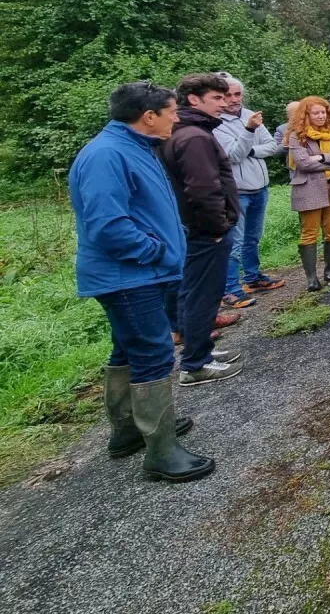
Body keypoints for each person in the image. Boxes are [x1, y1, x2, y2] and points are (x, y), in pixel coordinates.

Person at [69, 81, 216, 482]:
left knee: (127, 349)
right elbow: (108, 225)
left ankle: (128, 430)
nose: (177, 116)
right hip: (129, 276)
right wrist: (157, 251)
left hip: (138, 272)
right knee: (153, 353)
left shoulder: (133, 147)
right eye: (171, 110)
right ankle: (162, 452)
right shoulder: (107, 155)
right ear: (148, 116)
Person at [157, 73, 245, 387]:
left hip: (196, 229)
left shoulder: (183, 131)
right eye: (217, 98)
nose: (225, 104)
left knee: (196, 293)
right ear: (194, 100)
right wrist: (218, 227)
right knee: (202, 296)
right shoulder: (193, 137)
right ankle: (195, 364)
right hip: (206, 231)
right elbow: (203, 189)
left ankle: (202, 353)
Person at [213, 73, 286, 309]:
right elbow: (231, 155)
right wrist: (248, 131)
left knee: (252, 238)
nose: (234, 99)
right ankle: (231, 289)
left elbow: (272, 146)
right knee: (234, 241)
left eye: (237, 94)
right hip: (236, 191)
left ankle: (253, 277)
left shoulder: (249, 114)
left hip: (259, 186)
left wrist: (250, 149)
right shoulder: (215, 122)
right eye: (227, 95)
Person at [287, 97, 330, 290]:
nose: (320, 116)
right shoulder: (296, 136)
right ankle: (311, 278)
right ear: (306, 115)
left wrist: (322, 156)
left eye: (323, 112)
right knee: (310, 233)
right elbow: (304, 164)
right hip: (309, 189)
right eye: (315, 113)